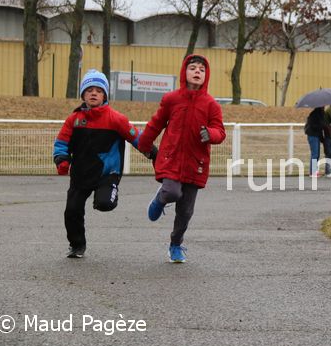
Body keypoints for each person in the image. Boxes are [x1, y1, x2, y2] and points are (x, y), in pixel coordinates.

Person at [53, 70, 151, 258]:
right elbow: (61, 142)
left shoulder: (116, 118)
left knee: (105, 204)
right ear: (83, 95)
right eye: (89, 90)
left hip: (107, 173)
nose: (94, 93)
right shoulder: (74, 120)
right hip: (80, 175)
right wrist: (61, 159)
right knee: (71, 211)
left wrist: (153, 153)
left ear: (105, 95)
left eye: (99, 90)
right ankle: (77, 245)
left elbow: (136, 137)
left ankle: (109, 193)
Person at [139, 54, 226, 263]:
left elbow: (220, 132)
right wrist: (144, 145)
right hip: (171, 158)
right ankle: (160, 199)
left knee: (185, 211)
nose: (197, 72)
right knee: (171, 192)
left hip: (196, 164)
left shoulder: (211, 105)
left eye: (202, 70)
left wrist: (210, 134)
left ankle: (175, 245)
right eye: (193, 68)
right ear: (184, 72)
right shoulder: (172, 99)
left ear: (206, 76)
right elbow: (156, 124)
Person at [304, 107, 331, 177]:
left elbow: (321, 126)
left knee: (316, 154)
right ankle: (313, 172)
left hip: (316, 135)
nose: (324, 107)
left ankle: (314, 171)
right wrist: (323, 126)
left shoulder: (321, 113)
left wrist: (322, 137)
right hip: (312, 135)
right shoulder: (314, 114)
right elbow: (314, 126)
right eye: (323, 106)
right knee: (315, 154)